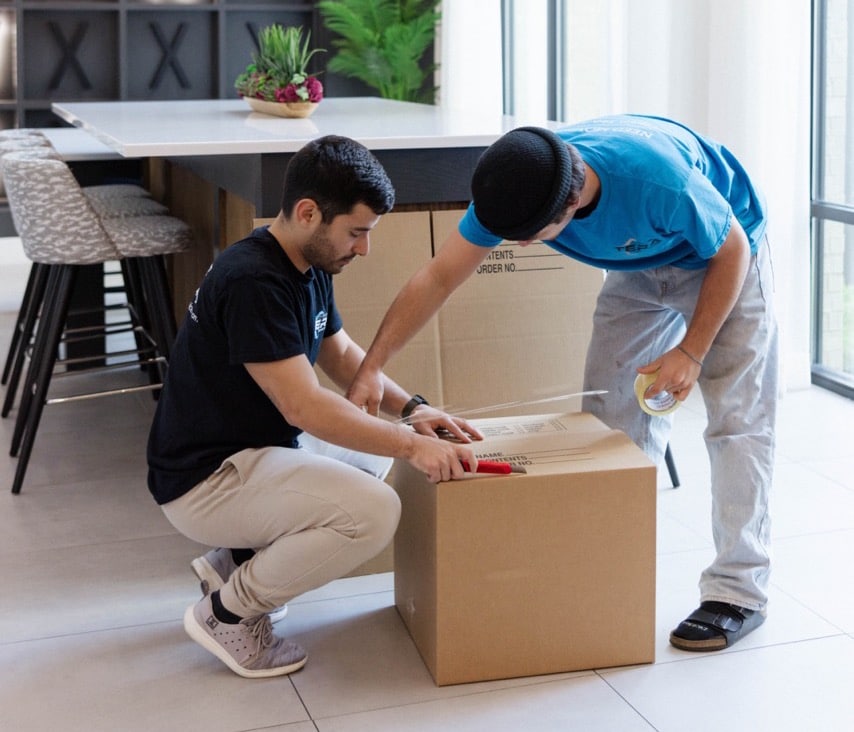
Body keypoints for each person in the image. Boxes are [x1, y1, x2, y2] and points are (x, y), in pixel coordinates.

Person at [348, 115, 778, 653]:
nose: (520, 244)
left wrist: (691, 351)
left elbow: (731, 247)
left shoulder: (658, 181)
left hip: (724, 256)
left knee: (738, 423)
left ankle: (738, 592)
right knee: (610, 424)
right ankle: (612, 574)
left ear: (570, 209)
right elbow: (437, 277)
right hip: (639, 267)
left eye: (529, 237)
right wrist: (370, 367)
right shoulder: (522, 177)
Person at [146, 134, 482, 679]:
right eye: (357, 232)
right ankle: (228, 614)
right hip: (205, 480)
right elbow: (304, 406)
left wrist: (413, 411)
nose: (365, 248)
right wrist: (415, 446)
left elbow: (342, 354)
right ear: (308, 213)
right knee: (374, 513)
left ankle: (232, 561)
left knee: (373, 457)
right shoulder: (255, 281)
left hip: (248, 449)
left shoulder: (305, 263)